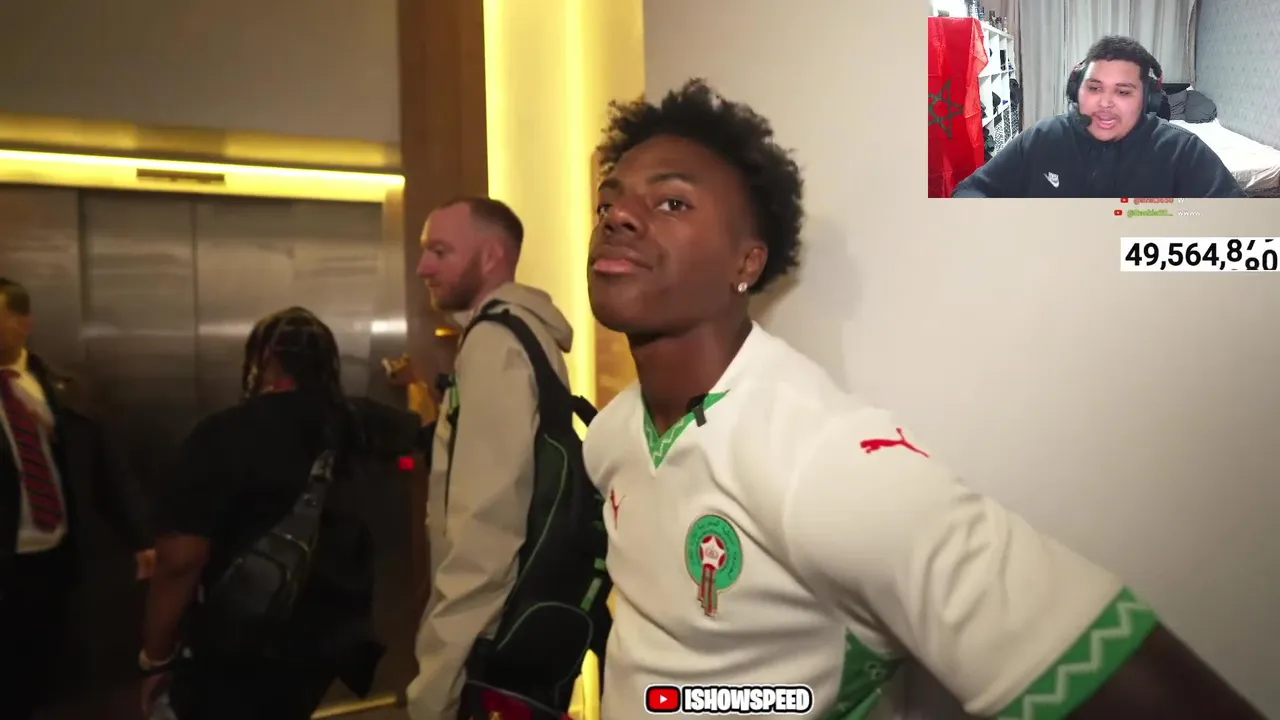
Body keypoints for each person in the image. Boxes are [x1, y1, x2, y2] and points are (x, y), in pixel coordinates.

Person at [583, 78, 1266, 719]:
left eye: (671, 203)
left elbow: (1134, 678)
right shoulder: (610, 437)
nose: (620, 219)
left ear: (747, 262)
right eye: (608, 204)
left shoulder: (820, 459)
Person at [140, 307, 422, 720]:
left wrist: (156, 656)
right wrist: (415, 384)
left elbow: (180, 560)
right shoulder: (358, 420)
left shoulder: (222, 434)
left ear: (264, 360)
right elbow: (431, 433)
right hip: (326, 644)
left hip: (240, 647)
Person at [407, 196, 576, 720]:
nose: (423, 267)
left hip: (486, 641)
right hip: (519, 620)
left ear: (490, 256)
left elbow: (486, 527)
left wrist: (436, 685)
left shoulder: (494, 342)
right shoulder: (527, 332)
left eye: (440, 251)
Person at [0, 277, 155, 720]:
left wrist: (142, 537)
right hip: (5, 557)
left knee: (50, 669)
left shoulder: (61, 388)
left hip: (60, 557)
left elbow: (108, 468)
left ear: (23, 323)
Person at [952, 36, 1244, 198]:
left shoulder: (1181, 151)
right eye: (1094, 88)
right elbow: (972, 192)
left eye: (1123, 92)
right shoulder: (1043, 137)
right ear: (1076, 91)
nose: (1105, 103)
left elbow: (1240, 230)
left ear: (1149, 100)